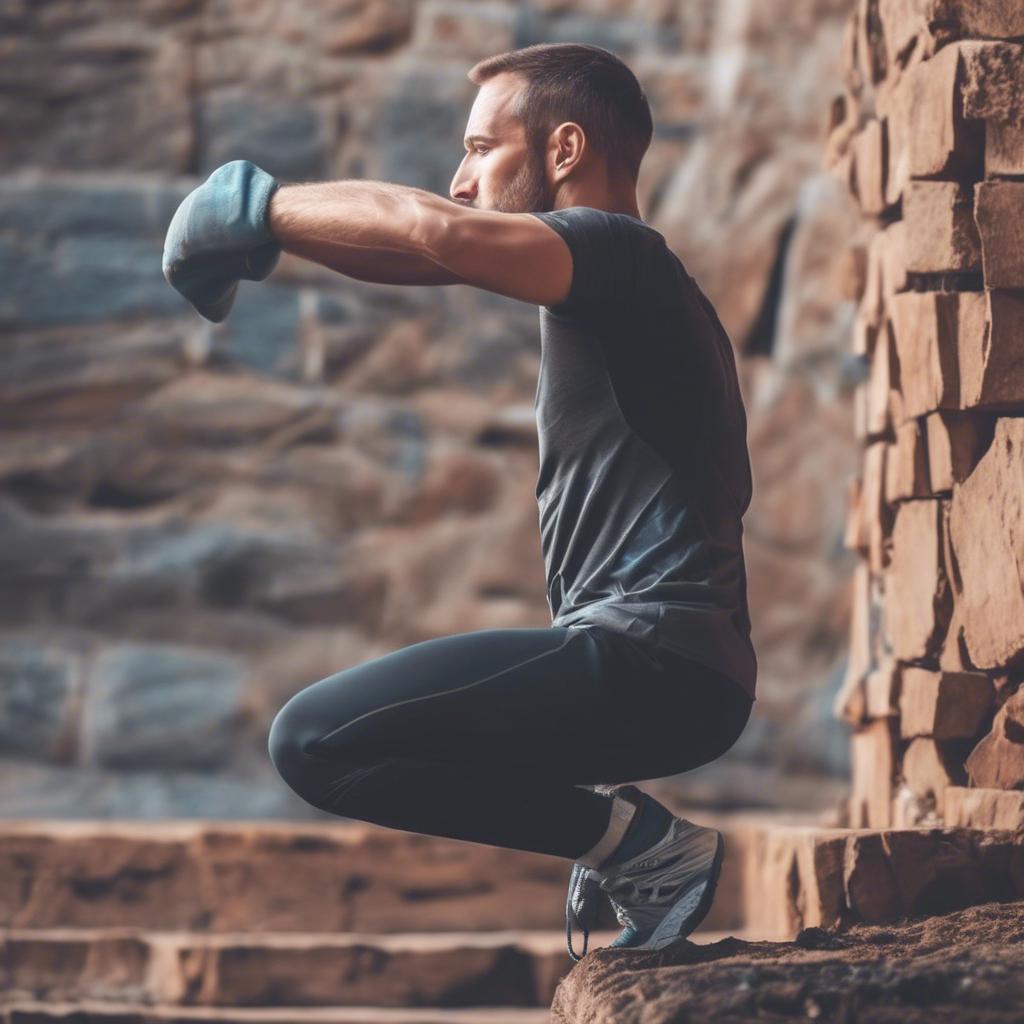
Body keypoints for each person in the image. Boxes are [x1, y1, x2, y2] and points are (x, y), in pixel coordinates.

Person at [162, 42, 757, 960]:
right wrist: (270, 239)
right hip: (674, 673)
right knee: (347, 742)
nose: (462, 178)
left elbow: (441, 236)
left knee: (315, 740)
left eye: (482, 148)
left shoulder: (619, 253)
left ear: (563, 150)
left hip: (653, 660)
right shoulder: (621, 289)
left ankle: (645, 850)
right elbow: (435, 256)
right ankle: (632, 847)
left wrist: (255, 207)